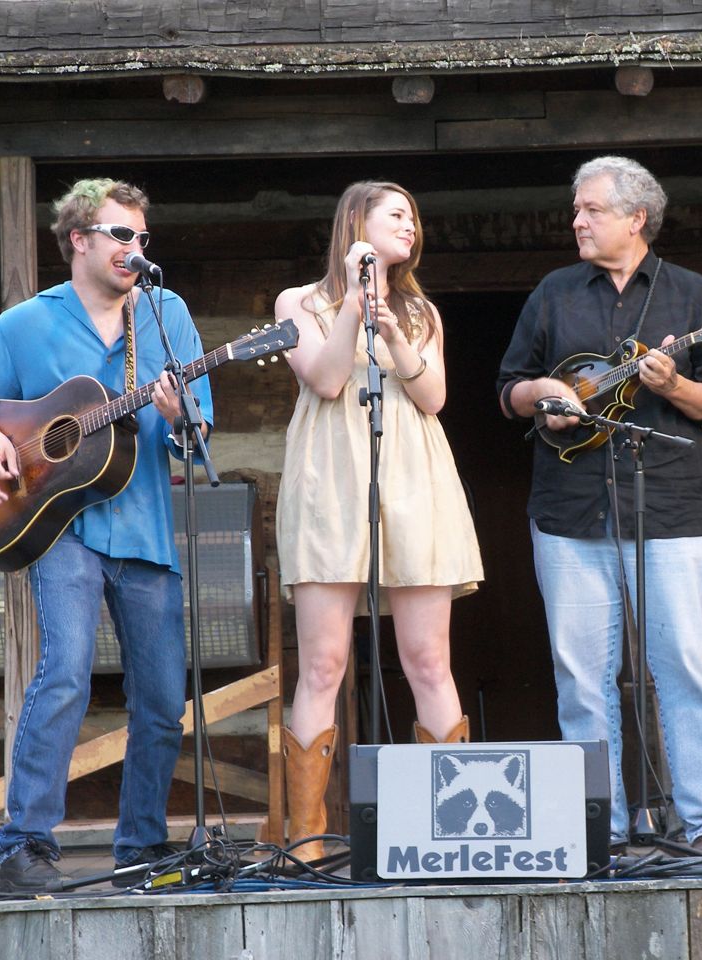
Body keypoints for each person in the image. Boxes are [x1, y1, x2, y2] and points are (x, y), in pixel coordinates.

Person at [0, 178, 213, 892]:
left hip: (144, 530)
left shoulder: (167, 314)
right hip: (65, 534)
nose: (134, 250)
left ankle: (142, 849)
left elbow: (197, 438)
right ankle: (25, 845)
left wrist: (179, 416)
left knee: (160, 699)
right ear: (78, 239)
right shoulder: (31, 320)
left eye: (142, 238)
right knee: (64, 675)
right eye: (120, 235)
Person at [496, 156, 702, 852]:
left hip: (667, 505)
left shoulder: (692, 296)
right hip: (568, 509)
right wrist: (544, 395)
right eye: (576, 210)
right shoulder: (553, 292)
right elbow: (507, 388)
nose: (576, 220)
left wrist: (670, 386)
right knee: (582, 676)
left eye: (590, 210)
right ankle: (597, 823)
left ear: (636, 218)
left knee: (685, 665)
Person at [275, 181, 482, 859]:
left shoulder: (420, 310)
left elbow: (434, 395)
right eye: (398, 215)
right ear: (356, 223)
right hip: (332, 479)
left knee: (428, 658)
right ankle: (305, 839)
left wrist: (393, 333)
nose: (411, 226)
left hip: (413, 476)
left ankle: (452, 831)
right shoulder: (298, 303)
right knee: (324, 664)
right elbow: (328, 379)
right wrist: (356, 308)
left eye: (415, 218)